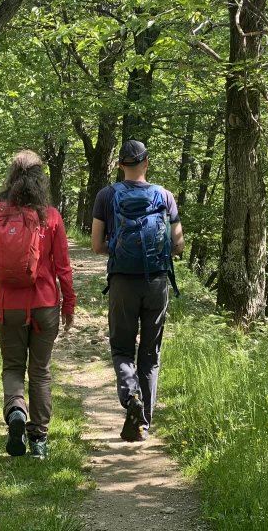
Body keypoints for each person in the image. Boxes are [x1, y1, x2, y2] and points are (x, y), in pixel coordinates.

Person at [0, 151, 76, 459]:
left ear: (11, 175)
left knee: (12, 367)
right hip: (45, 305)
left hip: (9, 306)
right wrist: (69, 306)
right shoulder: (51, 216)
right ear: (40, 178)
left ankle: (16, 412)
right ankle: (38, 441)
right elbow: (63, 267)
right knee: (40, 371)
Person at [90, 140, 184, 441]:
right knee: (150, 355)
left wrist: (121, 254)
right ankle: (142, 424)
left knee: (121, 349)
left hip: (121, 283)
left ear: (120, 165)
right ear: (147, 162)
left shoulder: (106, 195)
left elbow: (95, 245)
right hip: (156, 283)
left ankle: (131, 397)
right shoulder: (164, 196)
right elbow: (178, 244)